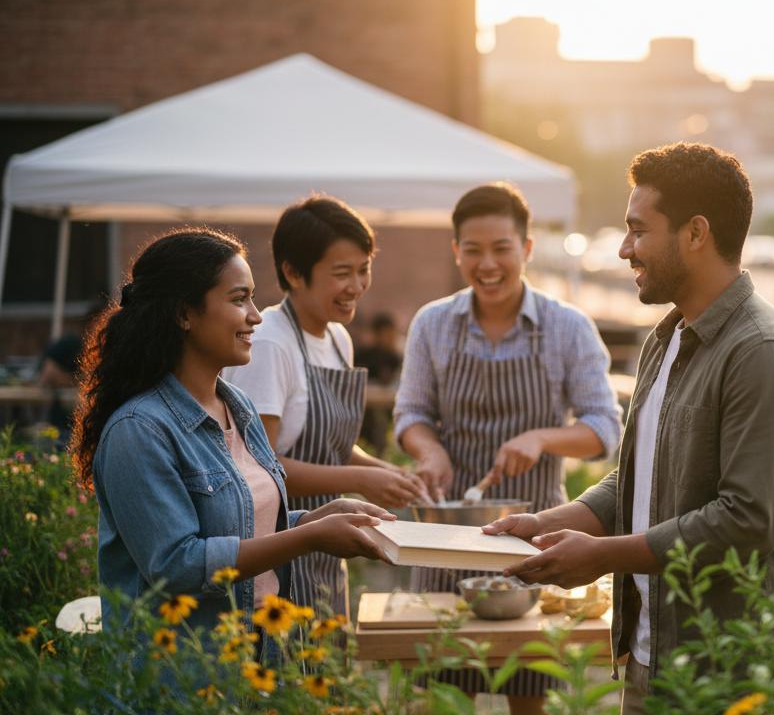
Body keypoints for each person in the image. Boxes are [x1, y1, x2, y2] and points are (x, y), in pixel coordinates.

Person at [482, 143, 774, 713]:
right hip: (655, 656)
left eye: (638, 230)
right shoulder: (666, 339)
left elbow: (747, 521)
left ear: (696, 233)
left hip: (738, 676)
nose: (624, 249)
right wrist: (543, 524)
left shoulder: (764, 352)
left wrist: (603, 555)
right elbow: (637, 481)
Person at [70, 228, 392, 649]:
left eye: (253, 298)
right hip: (181, 673)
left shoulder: (237, 405)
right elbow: (176, 565)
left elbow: (242, 526)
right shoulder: (138, 429)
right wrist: (310, 537)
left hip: (258, 652)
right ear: (184, 313)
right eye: (239, 299)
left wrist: (313, 519)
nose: (256, 315)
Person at [394, 183, 621, 715]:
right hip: (445, 540)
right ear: (455, 252)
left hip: (532, 539)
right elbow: (411, 415)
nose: (487, 263)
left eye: (501, 248)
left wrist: (543, 437)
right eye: (472, 250)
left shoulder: (568, 328)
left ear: (528, 248)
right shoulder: (433, 323)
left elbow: (604, 428)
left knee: (530, 695)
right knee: (446, 695)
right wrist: (430, 451)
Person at [225, 195, 426, 618]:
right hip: (279, 545)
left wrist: (384, 473)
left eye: (363, 269)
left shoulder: (338, 338)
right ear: (293, 272)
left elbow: (332, 445)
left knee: (325, 672)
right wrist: (357, 478)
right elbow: (261, 469)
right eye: (341, 273)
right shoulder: (269, 345)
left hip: (329, 543)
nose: (356, 286)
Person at [355, 312, 403, 455]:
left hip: (387, 411)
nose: (389, 339)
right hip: (365, 413)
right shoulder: (364, 355)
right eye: (385, 334)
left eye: (391, 334)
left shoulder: (395, 357)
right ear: (376, 335)